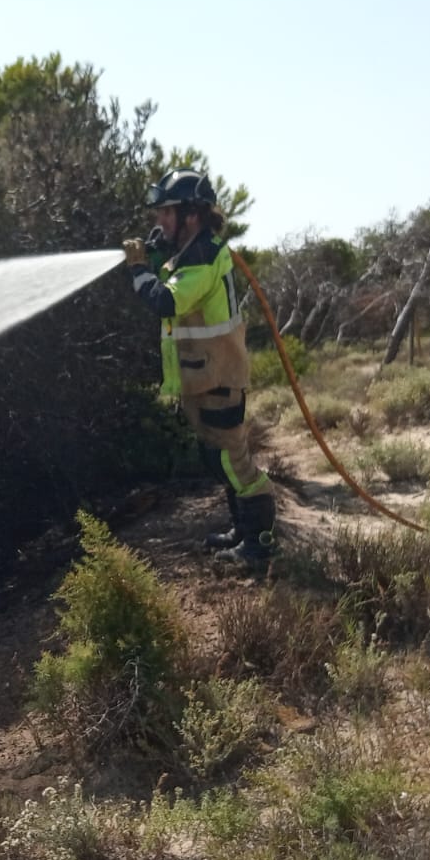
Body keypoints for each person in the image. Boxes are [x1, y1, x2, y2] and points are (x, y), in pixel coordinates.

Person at [123, 169, 275, 565]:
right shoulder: (190, 254)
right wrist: (157, 257)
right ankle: (243, 532)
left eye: (167, 214)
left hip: (219, 376)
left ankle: (260, 545)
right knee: (216, 457)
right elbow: (174, 281)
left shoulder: (204, 257)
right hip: (203, 376)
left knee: (232, 459)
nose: (159, 221)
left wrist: (140, 269)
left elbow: (167, 302)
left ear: (191, 215)